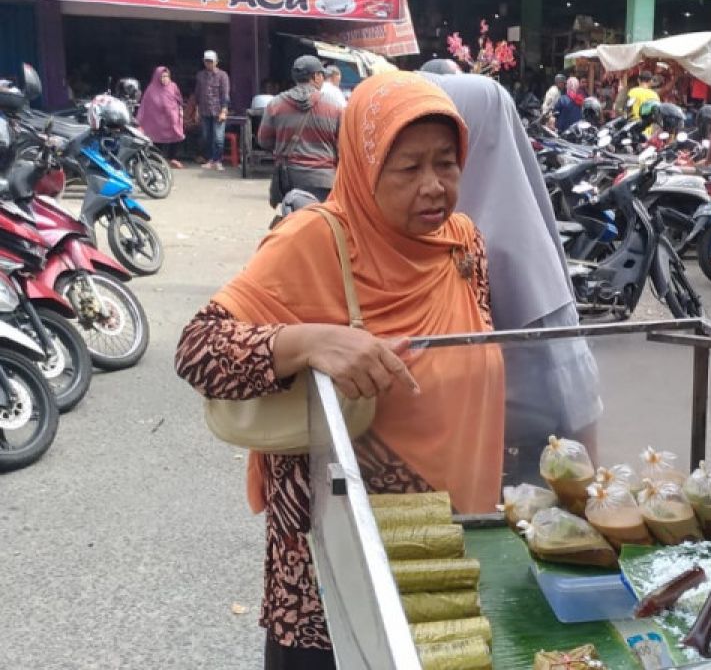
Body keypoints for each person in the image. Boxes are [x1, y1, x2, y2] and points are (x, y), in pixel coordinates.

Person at [175, 72, 504, 669]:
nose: (434, 186)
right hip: (339, 536)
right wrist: (307, 342)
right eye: (408, 169)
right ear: (364, 163)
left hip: (453, 521)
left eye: (446, 163)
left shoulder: (462, 243)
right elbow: (197, 350)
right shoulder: (313, 241)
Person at [422, 71, 602, 483]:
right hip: (442, 471)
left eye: (445, 153)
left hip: (523, 475)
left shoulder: (512, 250)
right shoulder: (425, 232)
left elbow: (576, 396)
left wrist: (588, 495)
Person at [257, 56, 343, 202]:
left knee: (290, 222)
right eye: (322, 74)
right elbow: (342, 147)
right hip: (323, 180)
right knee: (321, 222)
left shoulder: (275, 104)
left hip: (288, 180)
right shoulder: (335, 106)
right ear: (315, 76)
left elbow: (264, 141)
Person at [137, 66, 185, 169]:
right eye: (162, 76)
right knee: (157, 139)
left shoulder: (173, 86)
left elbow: (179, 99)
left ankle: (173, 159)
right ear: (157, 77)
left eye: (167, 76)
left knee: (176, 136)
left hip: (171, 118)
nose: (165, 79)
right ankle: (157, 159)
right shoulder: (151, 89)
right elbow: (145, 105)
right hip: (156, 120)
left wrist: (178, 111)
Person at [195, 50, 230, 170]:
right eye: (206, 61)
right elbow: (198, 95)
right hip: (205, 110)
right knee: (206, 137)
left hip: (218, 111)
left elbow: (225, 94)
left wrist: (224, 111)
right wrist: (197, 110)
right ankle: (210, 160)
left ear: (216, 62)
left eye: (211, 61)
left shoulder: (222, 75)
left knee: (218, 138)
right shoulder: (200, 75)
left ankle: (218, 160)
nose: (208, 63)